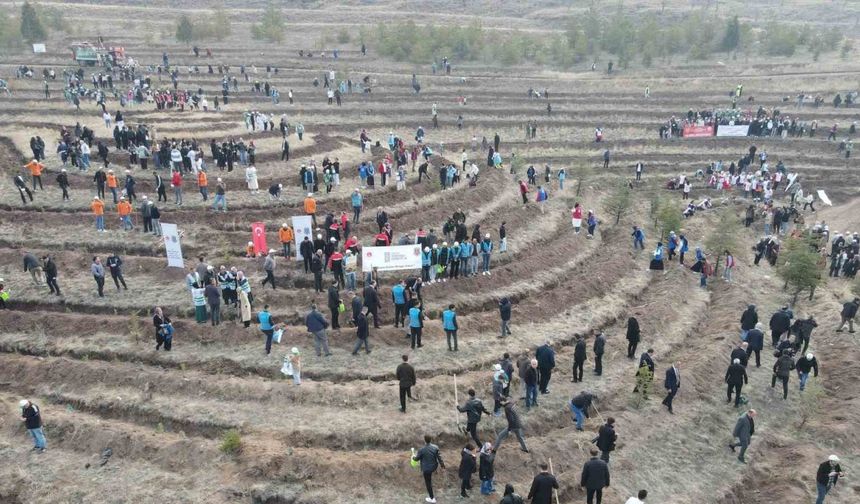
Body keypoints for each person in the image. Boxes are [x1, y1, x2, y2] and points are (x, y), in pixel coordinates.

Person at [412, 434, 444, 503]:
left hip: (426, 469)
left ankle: (432, 498)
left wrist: (413, 457)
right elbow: (439, 457)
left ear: (424, 440)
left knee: (428, 482)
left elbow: (416, 459)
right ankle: (435, 472)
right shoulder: (436, 447)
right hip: (434, 466)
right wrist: (442, 465)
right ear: (431, 440)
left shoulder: (421, 450)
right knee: (430, 473)